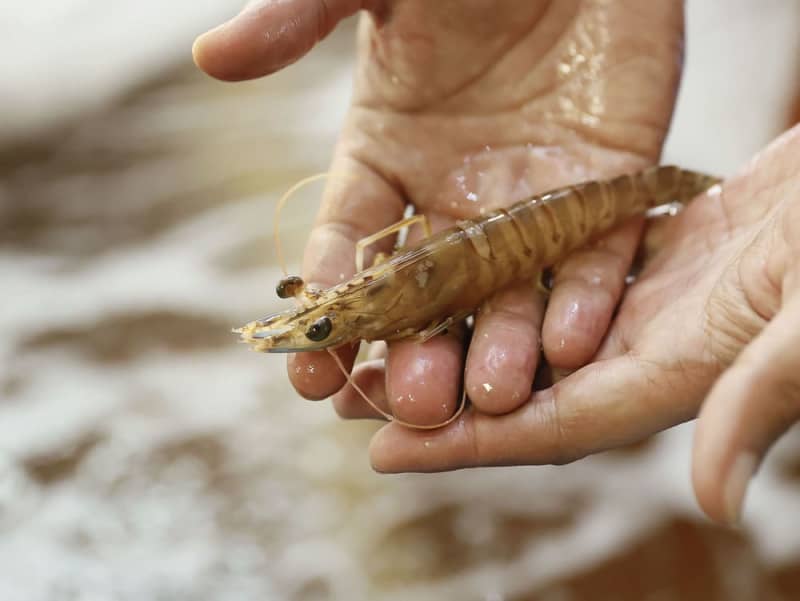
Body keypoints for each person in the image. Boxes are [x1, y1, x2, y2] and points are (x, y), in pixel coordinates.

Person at [193, 0, 800, 526]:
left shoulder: (391, 296)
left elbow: (422, 311)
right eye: (322, 321)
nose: (323, 319)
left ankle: (730, 182)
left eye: (320, 321)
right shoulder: (374, 282)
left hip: (561, 217)